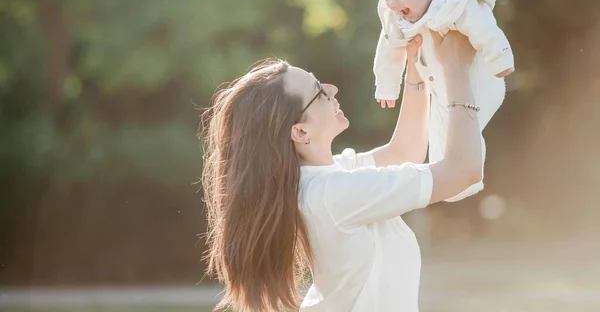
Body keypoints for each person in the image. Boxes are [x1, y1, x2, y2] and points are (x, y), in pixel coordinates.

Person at [200, 30, 483, 311]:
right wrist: (456, 71)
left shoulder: (323, 180)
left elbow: (403, 154)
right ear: (300, 131)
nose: (332, 89)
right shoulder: (334, 193)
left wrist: (417, 71)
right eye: (319, 92)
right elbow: (462, 172)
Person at [372, 0, 515, 202]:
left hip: (478, 78)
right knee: (440, 132)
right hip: (440, 84)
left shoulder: (455, 0)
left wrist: (500, 59)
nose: (391, 3)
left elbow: (484, 27)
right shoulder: (395, 13)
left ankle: (465, 173)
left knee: (463, 128)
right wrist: (387, 84)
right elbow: (389, 48)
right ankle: (454, 181)